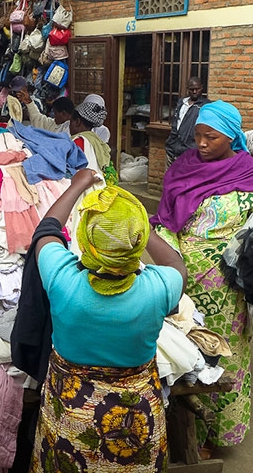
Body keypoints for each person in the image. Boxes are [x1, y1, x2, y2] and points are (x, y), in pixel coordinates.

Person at [150, 100, 253, 454]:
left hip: (229, 283)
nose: (201, 144)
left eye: (210, 137)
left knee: (224, 355)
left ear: (231, 136)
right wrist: (173, 262)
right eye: (198, 135)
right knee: (183, 349)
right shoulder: (182, 168)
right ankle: (180, 430)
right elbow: (165, 219)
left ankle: (216, 435)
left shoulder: (250, 174)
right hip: (182, 276)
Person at [29, 168, 185, 472]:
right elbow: (175, 262)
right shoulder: (159, 288)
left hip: (69, 423)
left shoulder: (62, 279)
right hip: (136, 426)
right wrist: (140, 227)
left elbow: (46, 230)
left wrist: (79, 185)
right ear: (137, 243)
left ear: (84, 241)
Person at [165, 77, 211, 166]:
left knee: (185, 178)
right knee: (169, 178)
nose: (194, 92)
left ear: (202, 88)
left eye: (197, 89)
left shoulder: (205, 107)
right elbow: (175, 125)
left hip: (190, 153)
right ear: (187, 89)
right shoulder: (181, 103)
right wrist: (169, 145)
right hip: (172, 150)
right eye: (191, 89)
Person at [69, 98, 113, 176]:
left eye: (70, 121)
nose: (69, 126)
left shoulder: (78, 141)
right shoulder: (95, 139)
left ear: (77, 122)